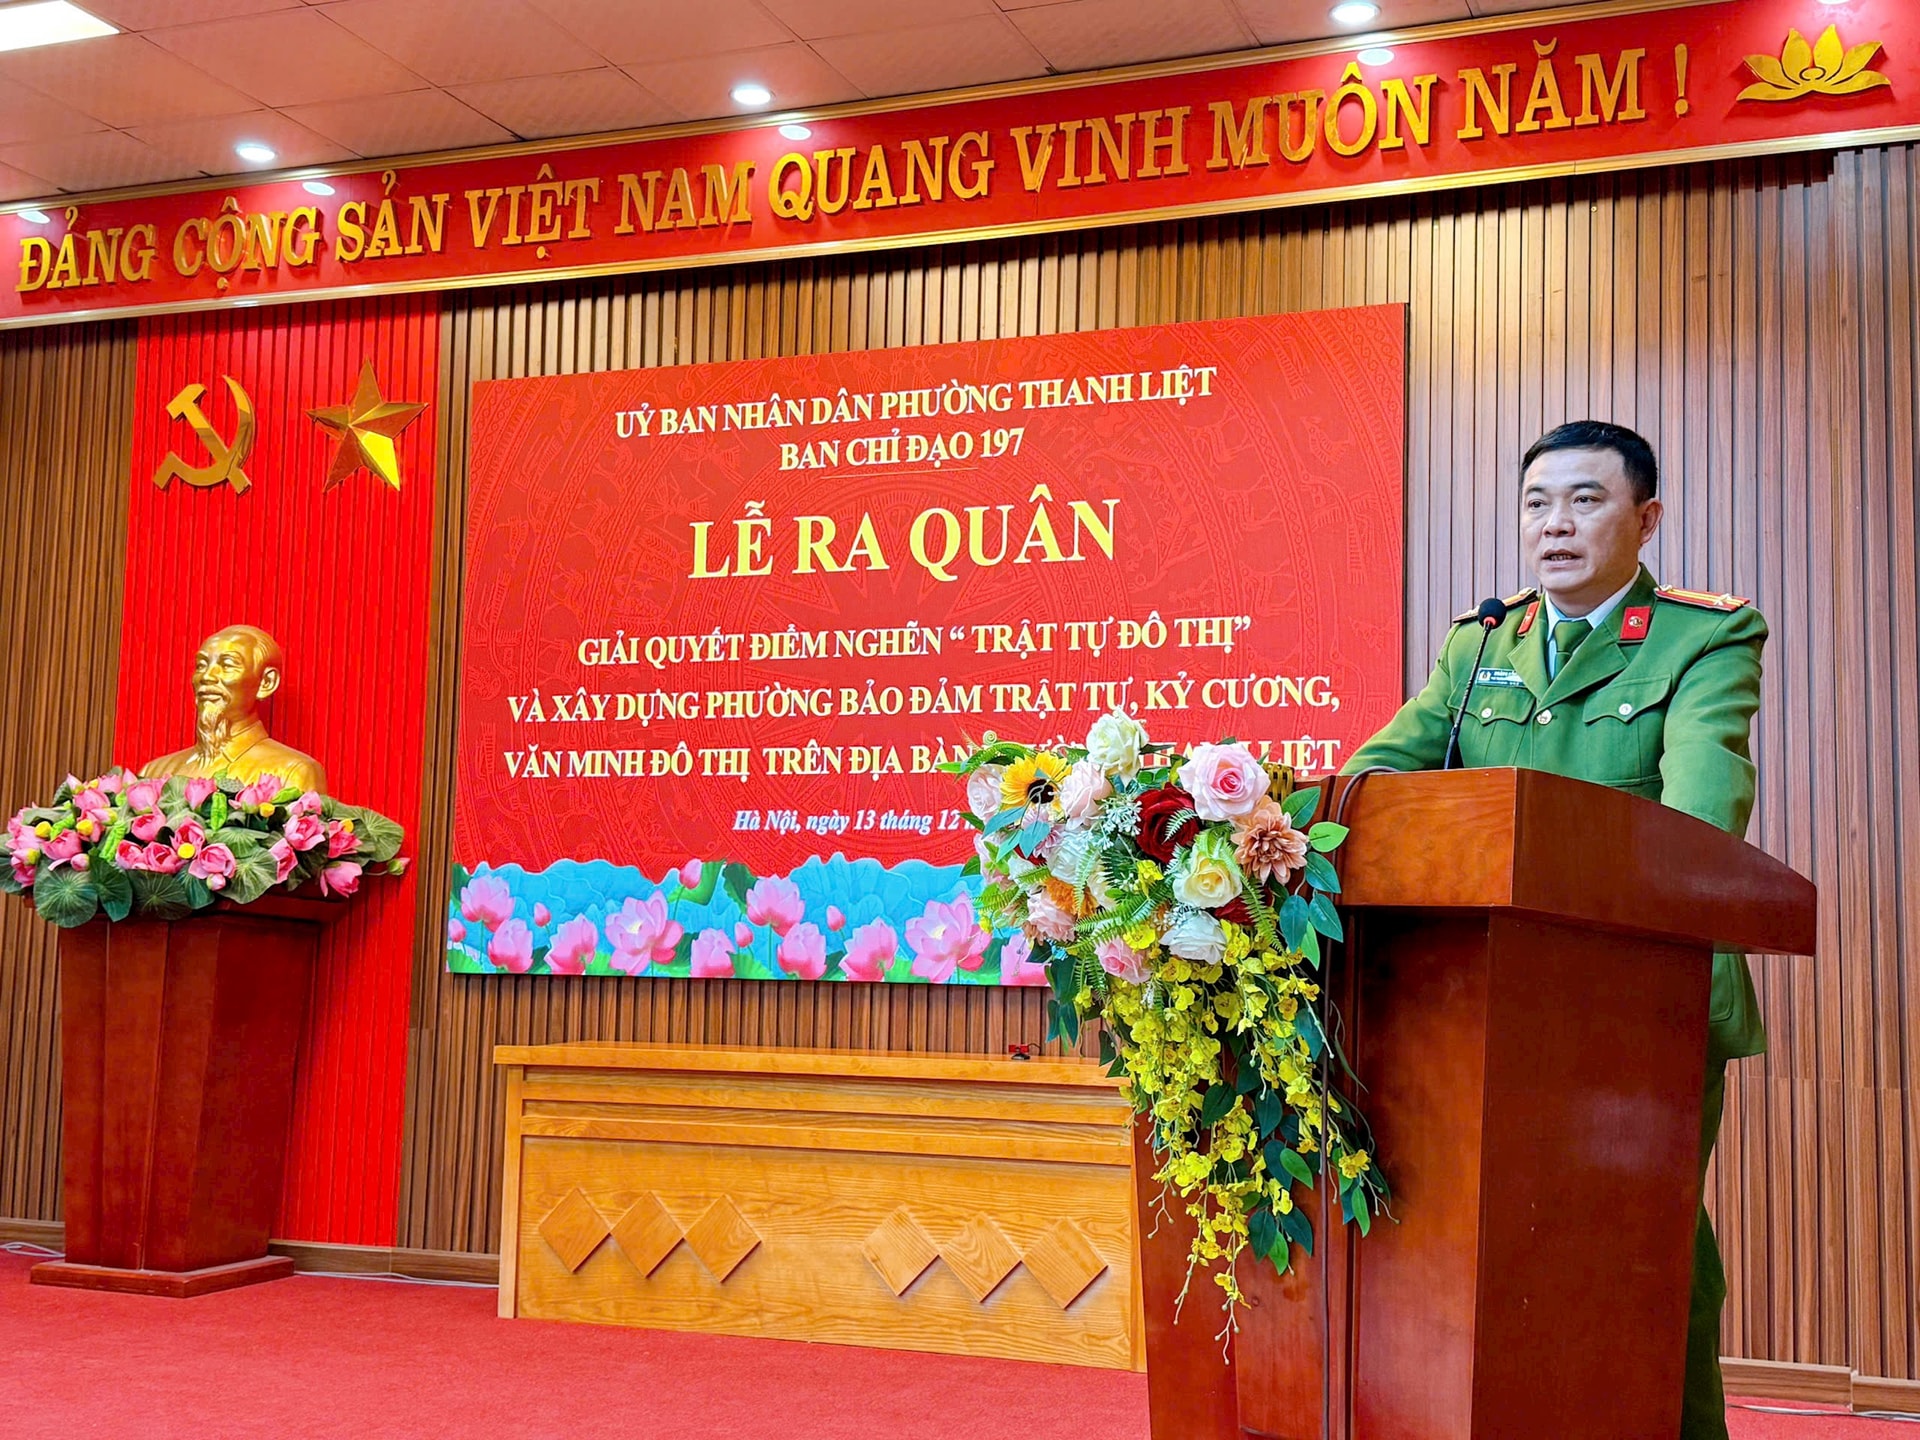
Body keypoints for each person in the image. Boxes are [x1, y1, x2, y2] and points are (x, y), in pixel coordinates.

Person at [1343, 419, 1765, 1440]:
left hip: (1646, 1000)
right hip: (1480, 1001)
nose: (1556, 525)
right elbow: (1373, 780)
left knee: (1645, 1245)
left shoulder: (1703, 638)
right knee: (1499, 1248)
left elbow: (1698, 821)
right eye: (1537, 504)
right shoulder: (1481, 643)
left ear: (1645, 520)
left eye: (1585, 500)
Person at [140, 624, 328, 792]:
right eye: (201, 665)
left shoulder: (293, 772)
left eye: (228, 665)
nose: (207, 676)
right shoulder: (154, 772)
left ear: (266, 683)